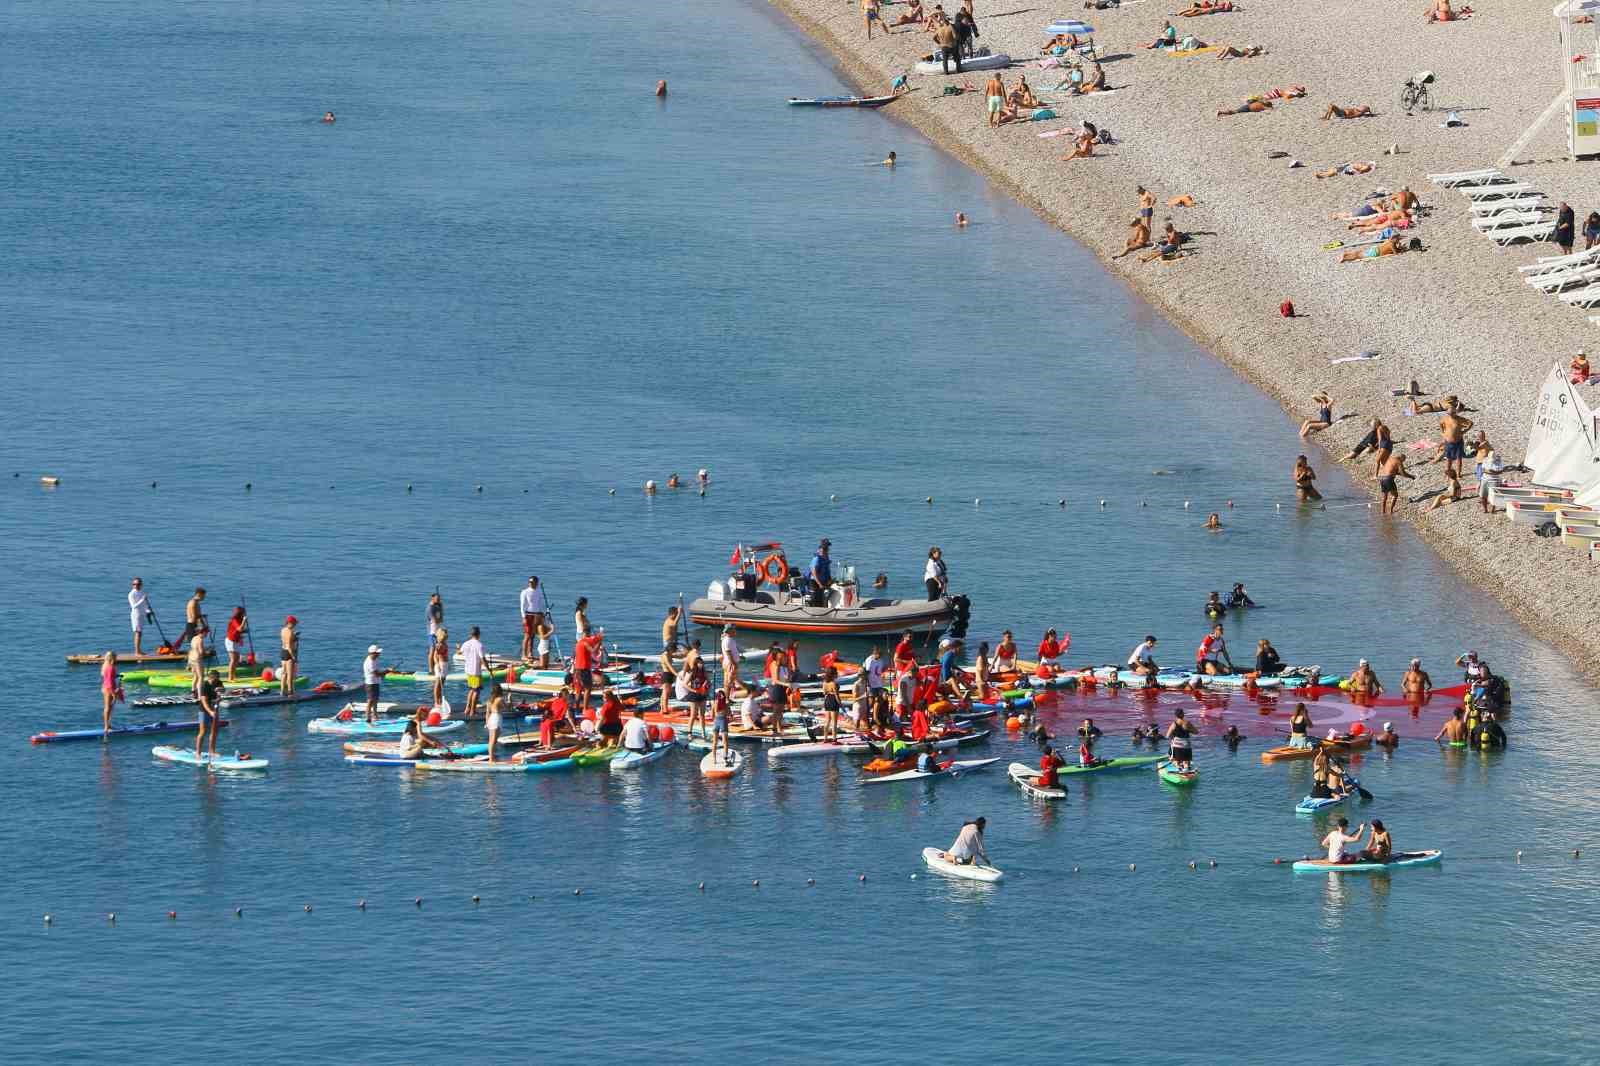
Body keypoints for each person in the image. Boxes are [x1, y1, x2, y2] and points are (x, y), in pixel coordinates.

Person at [1439, 400, 1475, 480]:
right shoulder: (1445, 419)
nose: (1451, 414)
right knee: (1449, 459)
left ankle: (1458, 474)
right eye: (1450, 413)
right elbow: (1440, 424)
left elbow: (1470, 423)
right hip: (1448, 442)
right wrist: (1443, 433)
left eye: (1452, 413)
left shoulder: (1459, 419)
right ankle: (1448, 474)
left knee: (1459, 459)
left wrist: (1465, 431)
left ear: (1455, 413)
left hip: (1458, 441)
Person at [195, 669, 223, 758]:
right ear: (211, 678)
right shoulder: (205, 686)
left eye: (218, 679)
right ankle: (198, 753)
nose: (216, 681)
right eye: (215, 679)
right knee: (203, 731)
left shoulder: (218, 682)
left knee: (214, 731)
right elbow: (204, 701)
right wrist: (210, 712)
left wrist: (221, 690)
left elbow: (222, 690)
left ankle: (212, 751)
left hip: (214, 709)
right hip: (203, 710)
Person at [460, 626, 488, 717]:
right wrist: (489, 670)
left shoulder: (465, 644)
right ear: (479, 634)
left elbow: (460, 652)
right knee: (476, 690)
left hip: (468, 670)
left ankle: (467, 708)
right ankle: (473, 710)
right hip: (476, 671)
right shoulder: (479, 645)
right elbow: (483, 659)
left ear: (471, 634)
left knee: (471, 689)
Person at [519, 576, 548, 660]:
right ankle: (523, 655)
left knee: (533, 635)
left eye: (532, 582)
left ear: (536, 583)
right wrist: (523, 617)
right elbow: (522, 606)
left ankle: (530, 653)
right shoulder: (525, 592)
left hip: (537, 615)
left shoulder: (539, 592)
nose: (530, 583)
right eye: (529, 582)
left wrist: (542, 613)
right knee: (527, 635)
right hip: (528, 615)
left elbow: (540, 604)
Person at [176, 586, 207, 652]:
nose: (204, 598)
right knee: (195, 642)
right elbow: (193, 616)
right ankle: (195, 655)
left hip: (194, 624)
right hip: (192, 625)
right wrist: (201, 626)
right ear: (199, 594)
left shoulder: (196, 602)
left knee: (196, 642)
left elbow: (197, 615)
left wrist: (202, 616)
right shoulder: (193, 603)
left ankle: (197, 652)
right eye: (203, 596)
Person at [224, 606, 248, 682]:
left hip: (235, 640)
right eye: (244, 613)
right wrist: (244, 620)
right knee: (233, 660)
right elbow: (239, 629)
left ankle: (233, 676)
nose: (245, 614)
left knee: (237, 659)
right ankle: (230, 677)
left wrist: (244, 631)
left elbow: (240, 630)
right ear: (240, 613)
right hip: (230, 641)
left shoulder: (239, 619)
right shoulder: (234, 620)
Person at [128, 577, 151, 655]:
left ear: (141, 585)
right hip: (136, 615)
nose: (136, 586)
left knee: (140, 633)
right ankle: (137, 652)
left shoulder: (142, 592)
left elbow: (144, 605)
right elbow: (133, 606)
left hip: (142, 615)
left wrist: (148, 611)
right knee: (137, 632)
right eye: (134, 584)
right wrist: (142, 599)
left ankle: (139, 650)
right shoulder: (131, 594)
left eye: (138, 584)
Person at [484, 683, 506, 761]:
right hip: (496, 718)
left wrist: (487, 722)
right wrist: (510, 700)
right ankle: (491, 758)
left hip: (491, 719)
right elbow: (507, 708)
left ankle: (492, 756)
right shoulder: (500, 699)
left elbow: (487, 713)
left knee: (492, 739)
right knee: (493, 740)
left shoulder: (489, 700)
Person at [429, 627, 450, 711]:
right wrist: (437, 665)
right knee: (437, 685)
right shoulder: (439, 644)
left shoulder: (443, 643)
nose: (447, 635)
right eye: (445, 634)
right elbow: (435, 656)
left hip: (444, 665)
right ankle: (436, 702)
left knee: (441, 685)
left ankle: (439, 701)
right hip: (441, 665)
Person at [362, 644, 383, 724]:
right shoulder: (369, 662)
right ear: (372, 653)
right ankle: (368, 718)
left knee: (376, 700)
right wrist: (387, 671)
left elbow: (378, 671)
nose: (379, 654)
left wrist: (385, 671)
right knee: (370, 701)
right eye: (377, 653)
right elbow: (376, 673)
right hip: (370, 683)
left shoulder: (375, 659)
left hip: (376, 682)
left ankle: (375, 715)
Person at [278, 616, 299, 697]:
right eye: (294, 623)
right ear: (290, 623)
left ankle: (282, 691)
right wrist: (294, 657)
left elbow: (285, 641)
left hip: (283, 652)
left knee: (284, 673)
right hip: (289, 653)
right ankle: (291, 693)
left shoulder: (283, 630)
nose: (295, 625)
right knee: (290, 675)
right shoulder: (290, 632)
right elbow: (289, 646)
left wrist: (294, 636)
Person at [100, 651, 120, 734]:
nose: (116, 659)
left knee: (108, 707)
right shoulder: (111, 667)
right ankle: (106, 727)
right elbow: (109, 682)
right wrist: (113, 693)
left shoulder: (105, 666)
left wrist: (117, 675)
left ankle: (108, 725)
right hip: (109, 688)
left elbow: (108, 677)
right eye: (115, 657)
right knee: (108, 708)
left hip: (105, 687)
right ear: (112, 658)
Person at [809, 539, 833, 606]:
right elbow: (814, 573)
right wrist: (819, 584)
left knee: (824, 599)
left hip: (823, 581)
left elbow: (827, 570)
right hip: (815, 582)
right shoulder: (817, 558)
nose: (827, 549)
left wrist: (830, 579)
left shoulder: (826, 556)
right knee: (816, 600)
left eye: (827, 547)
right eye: (826, 547)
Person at [720, 624, 741, 691]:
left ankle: (730, 694)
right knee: (729, 681)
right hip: (730, 663)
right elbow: (728, 653)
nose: (735, 630)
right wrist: (734, 664)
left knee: (730, 679)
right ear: (730, 631)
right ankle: (728, 698)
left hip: (729, 662)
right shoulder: (728, 640)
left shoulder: (729, 639)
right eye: (733, 629)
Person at [426, 591, 444, 659]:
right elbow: (435, 621)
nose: (439, 600)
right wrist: (440, 619)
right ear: (432, 598)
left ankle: (434, 668)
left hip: (438, 632)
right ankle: (431, 669)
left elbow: (441, 617)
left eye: (439, 599)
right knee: (432, 650)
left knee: (437, 651)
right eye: (437, 599)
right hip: (432, 632)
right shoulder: (430, 608)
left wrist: (441, 607)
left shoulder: (437, 606)